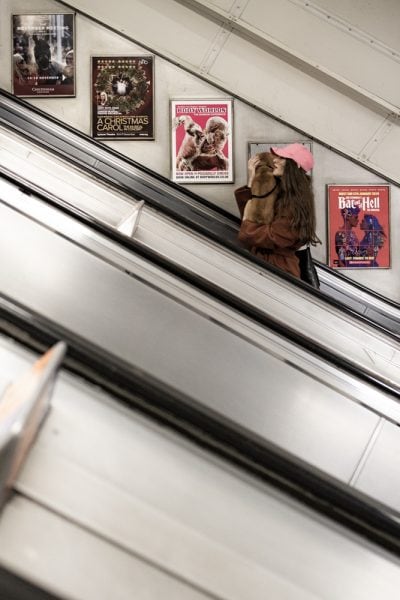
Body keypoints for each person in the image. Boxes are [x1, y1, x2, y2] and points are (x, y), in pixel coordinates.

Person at [236, 143, 320, 278]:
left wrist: (247, 227)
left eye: (282, 158)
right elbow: (255, 217)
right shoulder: (284, 192)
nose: (275, 160)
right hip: (268, 265)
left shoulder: (295, 202)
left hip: (280, 270)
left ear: (293, 166)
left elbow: (274, 236)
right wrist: (252, 180)